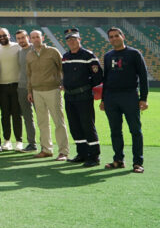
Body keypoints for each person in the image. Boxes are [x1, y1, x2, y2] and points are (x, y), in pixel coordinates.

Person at [101, 27, 149, 173]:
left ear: (123, 37)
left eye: (116, 35)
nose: (114, 38)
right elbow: (106, 79)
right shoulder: (108, 56)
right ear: (109, 39)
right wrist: (103, 99)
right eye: (111, 37)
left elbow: (143, 76)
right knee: (115, 131)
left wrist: (143, 98)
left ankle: (137, 162)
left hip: (129, 96)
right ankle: (118, 160)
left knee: (135, 130)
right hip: (111, 97)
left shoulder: (134, 53)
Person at [61, 28, 103, 167]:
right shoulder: (65, 56)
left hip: (84, 95)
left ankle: (94, 156)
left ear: (79, 40)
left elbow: (98, 76)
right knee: (75, 126)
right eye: (69, 39)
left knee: (87, 125)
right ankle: (82, 153)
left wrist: (86, 87)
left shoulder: (88, 55)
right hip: (69, 96)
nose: (71, 41)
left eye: (74, 39)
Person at [26, 30, 68, 161]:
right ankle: (46, 149)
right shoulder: (29, 55)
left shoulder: (53, 51)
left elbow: (63, 68)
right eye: (33, 37)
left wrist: (64, 83)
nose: (35, 39)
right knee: (42, 122)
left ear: (42, 38)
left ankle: (63, 152)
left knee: (58, 122)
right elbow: (29, 74)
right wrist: (29, 91)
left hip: (52, 90)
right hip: (37, 92)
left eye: (37, 37)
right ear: (30, 39)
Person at [0, 28, 22, 151]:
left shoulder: (17, 47)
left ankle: (19, 141)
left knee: (17, 114)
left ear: (9, 35)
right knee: (5, 115)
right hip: (2, 86)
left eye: (4, 35)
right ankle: (7, 140)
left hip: (16, 85)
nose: (2, 38)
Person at [15, 30, 37, 152]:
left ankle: (46, 145)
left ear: (28, 37)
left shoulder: (35, 50)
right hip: (22, 88)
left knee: (42, 117)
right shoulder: (19, 52)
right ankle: (32, 144)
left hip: (36, 88)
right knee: (27, 117)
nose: (21, 40)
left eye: (23, 37)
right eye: (18, 38)